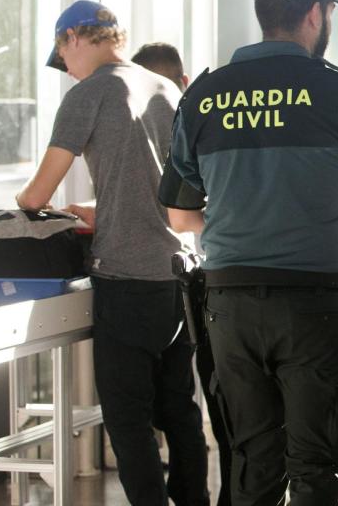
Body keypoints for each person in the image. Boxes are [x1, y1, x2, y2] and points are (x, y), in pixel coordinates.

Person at [159, 0, 338, 505]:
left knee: (253, 465)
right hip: (317, 307)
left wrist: (243, 221)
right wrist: (326, 227)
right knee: (318, 468)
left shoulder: (204, 93)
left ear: (262, 9)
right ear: (316, 14)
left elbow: (180, 216)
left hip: (230, 305)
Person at [17, 0, 209, 505]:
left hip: (127, 280)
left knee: (127, 419)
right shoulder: (165, 88)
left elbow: (36, 197)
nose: (67, 70)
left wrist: (23, 204)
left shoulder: (90, 94)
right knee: (180, 410)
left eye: (64, 56)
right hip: (181, 276)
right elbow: (168, 189)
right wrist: (104, 210)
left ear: (75, 37)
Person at [132, 42, 234, 506]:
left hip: (201, 282)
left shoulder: (187, 117)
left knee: (217, 410)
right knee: (187, 405)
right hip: (194, 277)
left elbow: (179, 212)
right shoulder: (197, 113)